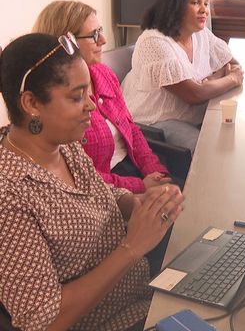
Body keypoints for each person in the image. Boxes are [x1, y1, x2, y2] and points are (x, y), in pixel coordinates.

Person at [0, 33, 185, 330]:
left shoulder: (64, 144)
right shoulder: (10, 195)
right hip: (110, 323)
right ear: (31, 103)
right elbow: (42, 321)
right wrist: (132, 247)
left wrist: (137, 204)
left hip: (142, 296)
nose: (91, 106)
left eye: (88, 93)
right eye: (76, 97)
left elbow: (100, 193)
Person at [33, 0, 174, 193]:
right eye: (94, 35)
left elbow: (131, 128)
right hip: (103, 191)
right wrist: (141, 186)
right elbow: (76, 175)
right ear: (66, 42)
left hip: (132, 170)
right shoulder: (55, 99)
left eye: (100, 30)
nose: (103, 40)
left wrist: (154, 170)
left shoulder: (103, 73)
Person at [122, 0, 244, 153]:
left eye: (206, 4)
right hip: (154, 122)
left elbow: (232, 63)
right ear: (176, 6)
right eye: (195, 3)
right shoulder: (154, 40)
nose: (204, 10)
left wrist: (210, 81)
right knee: (209, 152)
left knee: (236, 139)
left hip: (192, 115)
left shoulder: (200, 34)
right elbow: (193, 95)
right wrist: (231, 79)